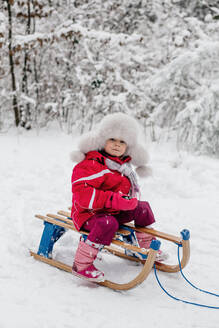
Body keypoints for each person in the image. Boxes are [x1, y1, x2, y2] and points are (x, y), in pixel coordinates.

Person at [70, 112, 166, 282]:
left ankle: (148, 249)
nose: (116, 145)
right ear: (102, 140)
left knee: (142, 207)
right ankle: (82, 264)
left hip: (112, 210)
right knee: (107, 223)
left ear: (128, 146)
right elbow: (82, 195)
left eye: (122, 141)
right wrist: (115, 200)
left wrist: (126, 202)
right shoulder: (91, 163)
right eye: (112, 139)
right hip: (88, 214)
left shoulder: (123, 168)